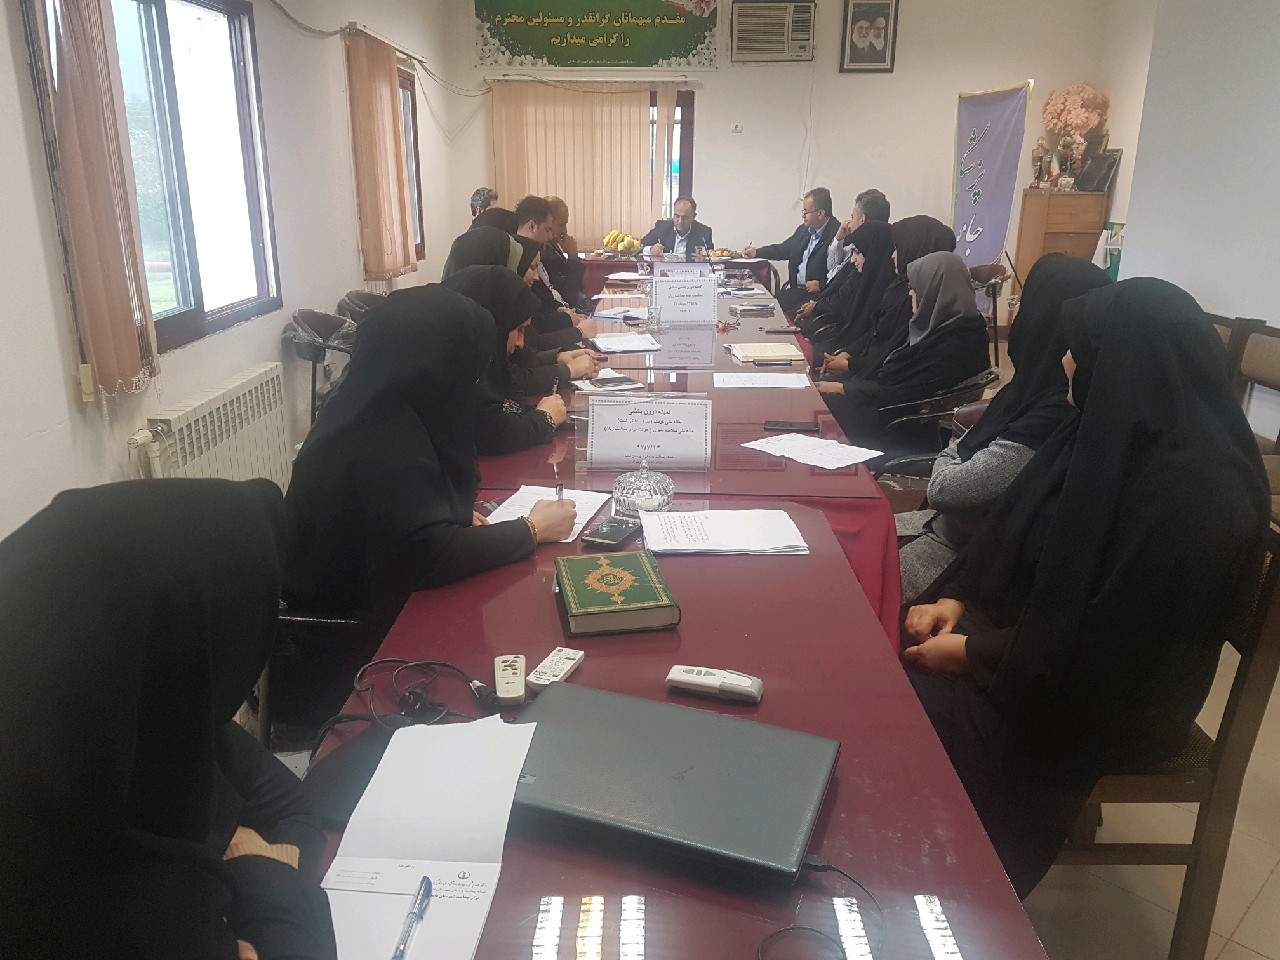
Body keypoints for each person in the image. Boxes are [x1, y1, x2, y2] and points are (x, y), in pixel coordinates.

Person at [901, 278, 1269, 897]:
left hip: (1110, 702)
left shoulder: (1198, 497)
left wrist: (970, 653)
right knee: (879, 652)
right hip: (1040, 652)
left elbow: (1117, 654)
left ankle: (919, 888)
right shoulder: (1102, 430)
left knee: (901, 713)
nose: (1067, 359)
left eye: (1081, 347)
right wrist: (957, 598)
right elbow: (1011, 535)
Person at [0, 478, 338, 960]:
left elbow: (294, 809)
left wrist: (251, 871)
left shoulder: (129, 699)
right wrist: (263, 870)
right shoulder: (47, 885)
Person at [282, 289, 576, 716]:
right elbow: (425, 558)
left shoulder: (372, 402)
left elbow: (405, 522)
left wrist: (447, 514)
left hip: (367, 602)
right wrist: (530, 530)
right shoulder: (386, 437)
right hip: (352, 648)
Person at [896, 255, 1113, 602]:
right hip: (939, 529)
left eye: (1024, 304)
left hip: (958, 563)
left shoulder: (1059, 408)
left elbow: (947, 488)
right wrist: (959, 450)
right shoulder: (1030, 386)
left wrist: (955, 447)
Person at [816, 251, 989, 451]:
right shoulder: (949, 327)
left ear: (934, 291)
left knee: (814, 409)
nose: (910, 294)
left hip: (897, 428)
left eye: (915, 288)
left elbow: (900, 394)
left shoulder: (956, 344)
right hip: (889, 410)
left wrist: (843, 388)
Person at [442, 265, 573, 455]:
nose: (521, 343)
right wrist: (544, 419)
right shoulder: (460, 362)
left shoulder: (483, 349)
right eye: (518, 330)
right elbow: (491, 433)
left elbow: (510, 399)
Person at [821, 214, 959, 380]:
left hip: (875, 379)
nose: (892, 255)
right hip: (865, 370)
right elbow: (875, 332)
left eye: (897, 248)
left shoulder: (916, 296)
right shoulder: (899, 285)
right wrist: (847, 353)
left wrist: (849, 367)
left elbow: (893, 354)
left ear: (914, 248)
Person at [803, 219, 896, 361]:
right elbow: (845, 327)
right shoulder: (862, 277)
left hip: (852, 356)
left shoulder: (887, 293)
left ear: (874, 253)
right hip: (841, 345)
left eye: (857, 252)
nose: (852, 260)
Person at [743, 187, 839, 316]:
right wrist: (756, 252)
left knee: (783, 318)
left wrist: (822, 285)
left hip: (818, 296)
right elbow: (784, 249)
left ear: (820, 213)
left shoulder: (837, 235)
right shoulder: (804, 230)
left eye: (806, 212)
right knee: (765, 309)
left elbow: (842, 272)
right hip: (796, 290)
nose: (803, 216)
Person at [819, 188, 891, 281]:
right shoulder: (852, 244)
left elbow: (833, 277)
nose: (849, 224)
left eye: (852, 217)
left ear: (862, 220)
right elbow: (831, 267)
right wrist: (838, 239)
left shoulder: (863, 256)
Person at [542, 196, 591, 311]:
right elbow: (569, 293)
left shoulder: (553, 245)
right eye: (561, 225)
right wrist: (573, 256)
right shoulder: (543, 253)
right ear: (548, 222)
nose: (565, 231)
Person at [641, 196, 714, 258]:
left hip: (692, 270)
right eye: (677, 216)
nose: (680, 221)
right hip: (665, 269)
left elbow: (710, 256)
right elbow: (641, 246)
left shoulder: (704, 232)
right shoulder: (662, 227)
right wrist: (651, 249)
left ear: (693, 216)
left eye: (685, 217)